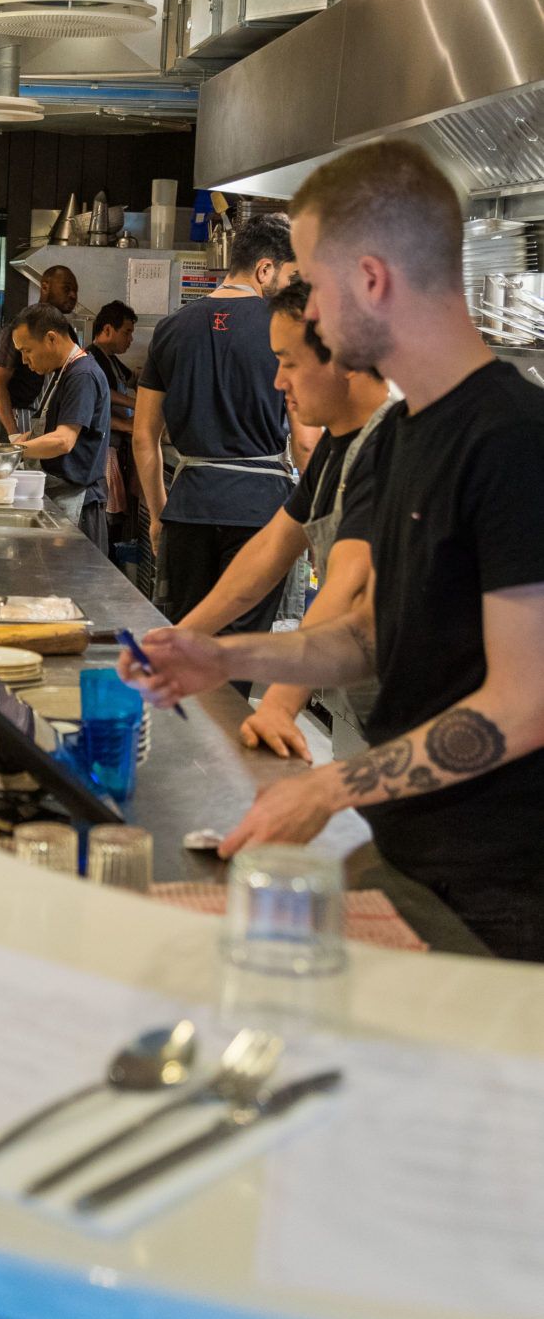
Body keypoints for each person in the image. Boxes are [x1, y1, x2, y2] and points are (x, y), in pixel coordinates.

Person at [119, 141, 544, 961]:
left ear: (371, 280)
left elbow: (524, 704)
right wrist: (221, 654)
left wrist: (329, 786)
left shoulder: (511, 442)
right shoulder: (403, 436)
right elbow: (370, 633)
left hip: (503, 893)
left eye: (313, 283)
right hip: (412, 853)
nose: (305, 311)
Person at [177, 277, 391, 761]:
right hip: (369, 707)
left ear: (343, 358)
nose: (278, 382)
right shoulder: (338, 443)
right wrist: (183, 636)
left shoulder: (390, 446)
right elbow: (271, 548)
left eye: (289, 362)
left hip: (425, 721)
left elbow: (347, 589)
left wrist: (277, 706)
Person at [133, 212, 297, 630]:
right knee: (241, 645)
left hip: (189, 510)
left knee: (189, 636)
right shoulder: (285, 329)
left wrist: (159, 514)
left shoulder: (170, 328)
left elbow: (143, 437)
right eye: (291, 277)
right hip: (260, 513)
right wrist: (313, 523)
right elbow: (308, 442)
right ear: (265, 269)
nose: (292, 289)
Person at [9, 303, 112, 545]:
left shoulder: (82, 375)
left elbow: (63, 441)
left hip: (78, 504)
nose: (24, 360)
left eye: (27, 350)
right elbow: (52, 429)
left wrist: (9, 452)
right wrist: (28, 438)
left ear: (51, 338)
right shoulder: (63, 372)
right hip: (60, 496)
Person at [0, 267, 95, 437]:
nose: (73, 295)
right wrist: (14, 435)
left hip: (54, 421)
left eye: (75, 291)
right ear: (45, 286)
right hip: (22, 418)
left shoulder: (68, 332)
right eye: (67, 288)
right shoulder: (20, 328)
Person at [88, 300, 138, 543]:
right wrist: (133, 416)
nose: (130, 339)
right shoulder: (92, 357)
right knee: (106, 521)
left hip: (116, 447)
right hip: (103, 450)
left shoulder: (111, 359)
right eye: (126, 332)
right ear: (108, 330)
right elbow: (101, 400)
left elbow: (132, 380)